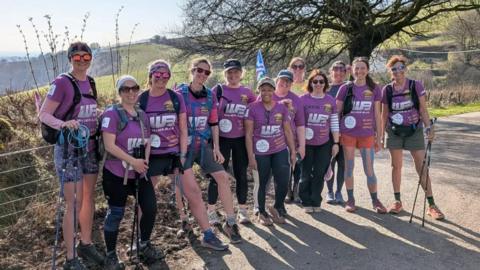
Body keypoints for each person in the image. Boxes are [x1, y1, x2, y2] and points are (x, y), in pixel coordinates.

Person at [139, 60, 228, 249]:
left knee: (193, 192)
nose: (162, 78)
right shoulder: (142, 99)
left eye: (166, 75)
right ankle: (141, 240)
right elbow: (134, 127)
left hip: (174, 155)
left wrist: (182, 154)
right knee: (145, 198)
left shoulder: (175, 97)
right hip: (151, 156)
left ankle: (208, 235)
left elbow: (182, 128)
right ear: (151, 76)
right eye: (158, 74)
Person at [39, 42, 104, 269]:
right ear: (70, 59)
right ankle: (70, 258)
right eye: (77, 57)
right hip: (68, 150)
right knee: (73, 203)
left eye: (86, 56)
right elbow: (44, 113)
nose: (82, 60)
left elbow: (88, 110)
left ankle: (86, 244)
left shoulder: (92, 82)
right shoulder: (62, 82)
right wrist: (64, 124)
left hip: (90, 148)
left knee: (88, 198)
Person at [100, 75, 164, 269]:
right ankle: (111, 255)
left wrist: (142, 161)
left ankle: (143, 245)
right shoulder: (111, 114)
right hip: (116, 173)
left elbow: (147, 141)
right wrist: (132, 161)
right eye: (125, 89)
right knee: (115, 214)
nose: (131, 92)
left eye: (134, 88)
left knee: (150, 208)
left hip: (139, 171)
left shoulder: (141, 115)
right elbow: (109, 145)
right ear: (119, 92)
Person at [177, 58, 242, 243]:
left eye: (207, 72)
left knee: (222, 177)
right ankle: (184, 221)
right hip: (182, 147)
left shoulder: (210, 95)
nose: (202, 75)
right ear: (192, 70)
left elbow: (213, 123)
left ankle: (231, 222)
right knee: (180, 184)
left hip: (202, 145)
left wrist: (216, 148)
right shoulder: (179, 93)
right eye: (199, 70)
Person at [381, 55, 445, 220]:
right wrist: (380, 135)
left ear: (405, 69)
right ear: (391, 71)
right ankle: (397, 201)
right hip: (394, 132)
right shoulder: (387, 90)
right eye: (394, 69)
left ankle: (431, 205)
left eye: (401, 68)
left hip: (414, 130)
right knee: (396, 166)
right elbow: (384, 114)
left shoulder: (415, 85)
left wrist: (429, 128)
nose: (398, 71)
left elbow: (423, 109)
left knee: (421, 166)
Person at [207, 59, 256, 224]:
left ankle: (242, 210)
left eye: (236, 72)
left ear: (241, 73)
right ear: (225, 73)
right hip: (221, 140)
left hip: (241, 140)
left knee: (241, 175)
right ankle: (212, 211)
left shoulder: (247, 93)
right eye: (229, 72)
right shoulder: (217, 90)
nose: (233, 75)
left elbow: (257, 112)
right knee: (217, 176)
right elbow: (207, 111)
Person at [336, 57, 387, 214]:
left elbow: (377, 115)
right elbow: (336, 113)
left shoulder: (374, 88)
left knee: (369, 169)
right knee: (349, 168)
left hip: (367, 134)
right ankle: (350, 199)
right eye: (356, 68)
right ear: (352, 70)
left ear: (367, 70)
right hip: (348, 134)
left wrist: (379, 137)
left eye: (362, 68)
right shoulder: (345, 88)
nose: (359, 71)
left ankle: (375, 200)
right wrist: (336, 135)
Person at [245, 77, 296, 225]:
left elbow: (287, 131)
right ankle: (261, 212)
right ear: (259, 90)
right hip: (260, 152)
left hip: (279, 149)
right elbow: (248, 134)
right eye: (263, 89)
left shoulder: (281, 108)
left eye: (269, 89)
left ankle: (277, 207)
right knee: (262, 182)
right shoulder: (252, 108)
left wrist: (292, 151)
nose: (266, 92)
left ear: (274, 90)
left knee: (283, 180)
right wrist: (250, 157)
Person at [299, 69, 340, 213]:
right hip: (306, 144)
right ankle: (305, 201)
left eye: (321, 81)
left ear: (325, 83)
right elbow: (299, 123)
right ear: (310, 83)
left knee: (319, 173)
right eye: (315, 81)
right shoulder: (303, 99)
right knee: (305, 174)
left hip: (324, 143)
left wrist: (335, 143)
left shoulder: (330, 100)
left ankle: (316, 201)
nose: (318, 84)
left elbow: (334, 123)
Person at [273, 69, 306, 204]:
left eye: (288, 82)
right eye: (282, 81)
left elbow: (300, 123)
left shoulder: (296, 99)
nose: (285, 84)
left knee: (296, 165)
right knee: (281, 167)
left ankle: (295, 189)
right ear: (276, 81)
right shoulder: (268, 95)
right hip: (274, 140)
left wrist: (302, 145)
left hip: (292, 139)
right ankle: (286, 190)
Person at [325, 61, 348, 205]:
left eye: (341, 69)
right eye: (335, 69)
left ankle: (339, 191)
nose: (338, 72)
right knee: (329, 163)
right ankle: (329, 192)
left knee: (343, 163)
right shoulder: (325, 88)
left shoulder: (349, 87)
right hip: (328, 132)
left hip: (346, 131)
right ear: (331, 71)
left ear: (345, 72)